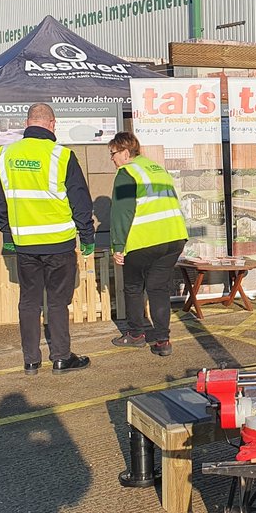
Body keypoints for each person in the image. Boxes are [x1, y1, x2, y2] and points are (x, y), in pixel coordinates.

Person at [0, 103, 95, 376]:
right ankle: (61, 358)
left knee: (29, 300)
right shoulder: (61, 155)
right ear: (51, 124)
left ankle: (31, 361)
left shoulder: (4, 155)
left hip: (25, 243)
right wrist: (87, 236)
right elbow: (80, 200)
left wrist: (8, 235)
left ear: (28, 123)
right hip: (58, 242)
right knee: (58, 302)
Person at [108, 132, 188, 357]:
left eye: (113, 154)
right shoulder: (157, 169)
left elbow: (122, 213)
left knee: (133, 287)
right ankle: (163, 341)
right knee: (158, 288)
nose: (112, 159)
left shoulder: (127, 173)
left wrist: (118, 247)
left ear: (125, 153)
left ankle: (135, 334)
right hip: (173, 237)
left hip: (145, 240)